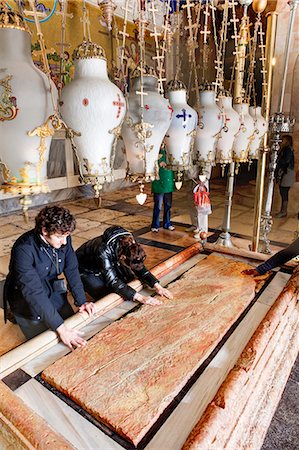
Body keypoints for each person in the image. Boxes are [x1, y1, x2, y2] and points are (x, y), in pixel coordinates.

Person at [4, 206, 95, 350]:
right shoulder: (23, 249)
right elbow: (33, 292)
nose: (64, 242)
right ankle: (16, 315)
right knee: (47, 344)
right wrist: (61, 328)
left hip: (50, 284)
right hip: (24, 295)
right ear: (44, 231)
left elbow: (71, 269)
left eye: (66, 236)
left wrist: (81, 301)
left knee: (70, 324)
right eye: (59, 237)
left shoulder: (64, 236)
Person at [76, 225, 173, 305]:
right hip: (84, 268)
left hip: (107, 260)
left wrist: (158, 287)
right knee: (108, 295)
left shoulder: (131, 243)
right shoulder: (103, 251)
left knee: (129, 280)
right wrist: (142, 298)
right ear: (122, 258)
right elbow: (113, 282)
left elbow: (139, 267)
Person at [151, 145, 175, 232]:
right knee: (158, 205)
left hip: (168, 182)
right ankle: (155, 225)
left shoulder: (170, 150)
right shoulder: (155, 150)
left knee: (168, 205)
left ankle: (167, 223)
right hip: (158, 182)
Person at [275, 134, 295, 218]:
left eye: (282, 140)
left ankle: (284, 211)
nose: (281, 142)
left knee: (284, 191)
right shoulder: (285, 149)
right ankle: (283, 211)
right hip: (285, 172)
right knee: (283, 191)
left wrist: (278, 161)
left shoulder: (288, 150)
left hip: (287, 172)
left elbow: (285, 160)